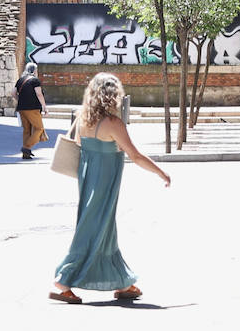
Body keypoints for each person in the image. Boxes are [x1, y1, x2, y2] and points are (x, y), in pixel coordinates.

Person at [50, 73, 170, 305]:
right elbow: (135, 155)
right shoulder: (114, 124)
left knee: (104, 229)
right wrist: (160, 172)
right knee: (92, 230)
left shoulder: (82, 118)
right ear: (113, 95)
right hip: (104, 184)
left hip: (87, 182)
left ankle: (122, 282)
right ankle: (63, 281)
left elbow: (78, 145)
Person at [15, 63, 49, 159]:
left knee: (27, 130)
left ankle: (26, 153)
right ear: (34, 71)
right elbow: (39, 94)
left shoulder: (20, 80)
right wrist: (45, 107)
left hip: (21, 108)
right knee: (39, 129)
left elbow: (13, 93)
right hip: (33, 108)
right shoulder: (35, 80)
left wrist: (21, 100)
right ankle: (26, 147)